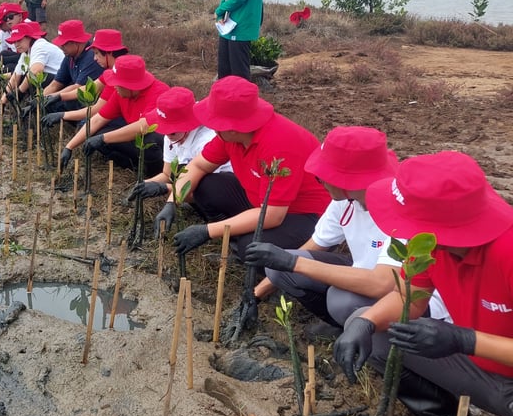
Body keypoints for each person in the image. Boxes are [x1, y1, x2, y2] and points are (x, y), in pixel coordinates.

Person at [332, 151, 513, 416]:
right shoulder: (429, 244)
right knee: (381, 335)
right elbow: (409, 299)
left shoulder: (508, 250)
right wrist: (365, 322)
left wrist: (464, 340)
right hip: (479, 366)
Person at [243, 126, 448, 341]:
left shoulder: (401, 211)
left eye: (322, 178)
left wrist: (292, 262)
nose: (320, 183)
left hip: (409, 300)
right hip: (366, 276)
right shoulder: (345, 202)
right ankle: (344, 326)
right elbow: (312, 247)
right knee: (281, 268)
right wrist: (255, 294)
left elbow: (382, 283)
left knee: (341, 299)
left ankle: (366, 336)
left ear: (345, 182)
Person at [169, 76, 330, 260]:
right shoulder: (230, 138)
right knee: (206, 185)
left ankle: (241, 249)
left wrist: (207, 231)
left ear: (232, 128)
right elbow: (198, 165)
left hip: (304, 216)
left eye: (215, 123)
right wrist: (172, 201)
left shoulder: (279, 144)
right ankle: (233, 238)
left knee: (251, 247)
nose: (212, 128)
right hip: (261, 203)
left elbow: (272, 215)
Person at [126, 87, 231, 227]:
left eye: (172, 131)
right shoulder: (172, 137)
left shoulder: (205, 141)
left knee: (183, 170)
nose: (168, 135)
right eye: (164, 129)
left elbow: (205, 189)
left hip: (223, 194)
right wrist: (144, 185)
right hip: (192, 189)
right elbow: (167, 173)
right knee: (179, 172)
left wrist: (165, 189)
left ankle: (218, 223)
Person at [57, 55, 167, 176]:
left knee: (149, 139)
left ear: (130, 85)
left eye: (117, 83)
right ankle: (134, 165)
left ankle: (157, 175)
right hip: (135, 139)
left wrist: (103, 138)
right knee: (98, 132)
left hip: (163, 148)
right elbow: (98, 120)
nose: (114, 87)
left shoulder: (159, 92)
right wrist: (69, 147)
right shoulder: (120, 93)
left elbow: (143, 126)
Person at [40, 28, 128, 129]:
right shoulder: (109, 72)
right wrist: (57, 96)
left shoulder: (119, 75)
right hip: (120, 119)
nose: (94, 58)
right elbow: (88, 88)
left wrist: (63, 115)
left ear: (109, 53)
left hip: (129, 125)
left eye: (96, 53)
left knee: (90, 127)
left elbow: (96, 109)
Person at [40, 19, 105, 114]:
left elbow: (78, 88)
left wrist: (54, 97)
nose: (61, 47)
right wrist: (41, 99)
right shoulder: (69, 56)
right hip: (76, 95)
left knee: (65, 103)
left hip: (89, 103)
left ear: (76, 42)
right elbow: (56, 83)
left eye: (64, 44)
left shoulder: (91, 58)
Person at [0, 21, 64, 106]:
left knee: (29, 78)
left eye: (19, 40)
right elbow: (15, 77)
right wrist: (2, 102)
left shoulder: (39, 45)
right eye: (14, 42)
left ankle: (42, 106)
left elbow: (36, 70)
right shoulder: (26, 52)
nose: (16, 45)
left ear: (29, 37)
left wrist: (20, 91)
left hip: (61, 83)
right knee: (24, 77)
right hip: (52, 82)